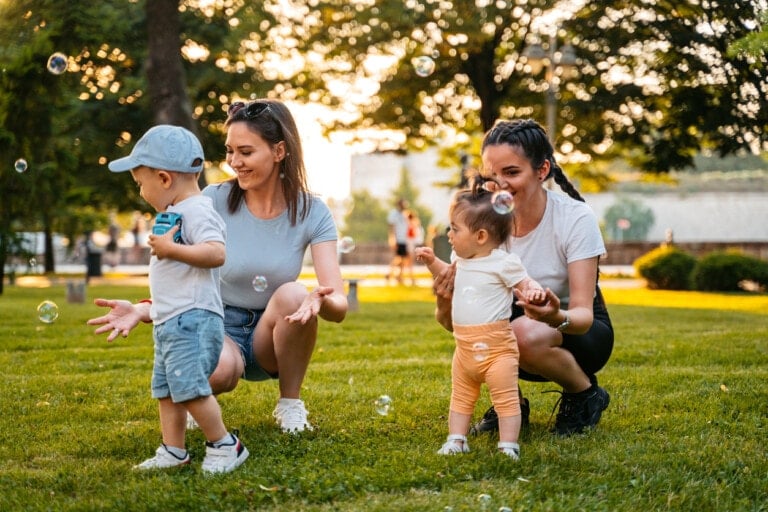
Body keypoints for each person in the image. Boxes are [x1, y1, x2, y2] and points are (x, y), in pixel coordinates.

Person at [88, 99, 348, 435]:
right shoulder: (211, 200)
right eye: (229, 152)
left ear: (279, 151)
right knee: (217, 373)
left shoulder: (312, 210)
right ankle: (202, 397)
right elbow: (177, 268)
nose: (234, 162)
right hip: (217, 323)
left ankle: (290, 403)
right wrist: (144, 309)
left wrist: (319, 300)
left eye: (245, 152)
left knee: (294, 293)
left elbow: (338, 306)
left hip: (272, 336)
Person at [431, 119, 613, 437]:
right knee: (487, 322)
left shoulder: (574, 218)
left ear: (542, 171)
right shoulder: (480, 226)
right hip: (513, 328)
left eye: (512, 173)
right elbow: (457, 324)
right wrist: (445, 304)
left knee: (522, 332)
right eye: (491, 177)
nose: (499, 185)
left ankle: (584, 394)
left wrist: (555, 315)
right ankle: (509, 405)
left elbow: (583, 314)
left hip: (579, 332)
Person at [105, 124, 248, 473]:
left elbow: (216, 253)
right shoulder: (176, 213)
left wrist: (171, 249)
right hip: (172, 320)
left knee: (190, 388)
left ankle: (226, 446)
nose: (141, 192)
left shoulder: (197, 211)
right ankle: (173, 450)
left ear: (165, 179)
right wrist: (144, 311)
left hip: (194, 320)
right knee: (167, 390)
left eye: (141, 184)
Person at [416, 180, 546, 460]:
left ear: (481, 236)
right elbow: (446, 276)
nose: (449, 234)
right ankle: (456, 439)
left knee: (506, 399)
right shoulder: (459, 259)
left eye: (455, 228)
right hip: (464, 350)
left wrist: (533, 290)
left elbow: (524, 281)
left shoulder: (503, 263)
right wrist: (431, 262)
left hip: (498, 350)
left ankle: (508, 445)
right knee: (461, 396)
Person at [385, 198, 409, 284]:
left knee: (402, 258)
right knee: (396, 257)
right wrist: (392, 239)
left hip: (404, 239)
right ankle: (390, 273)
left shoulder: (405, 214)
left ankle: (399, 276)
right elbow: (391, 227)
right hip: (397, 239)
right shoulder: (393, 214)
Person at [403, 210, 424, 286]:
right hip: (410, 245)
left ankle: (408, 277)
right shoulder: (411, 224)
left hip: (409, 244)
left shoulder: (409, 224)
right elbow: (413, 235)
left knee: (406, 261)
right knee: (409, 262)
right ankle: (411, 278)